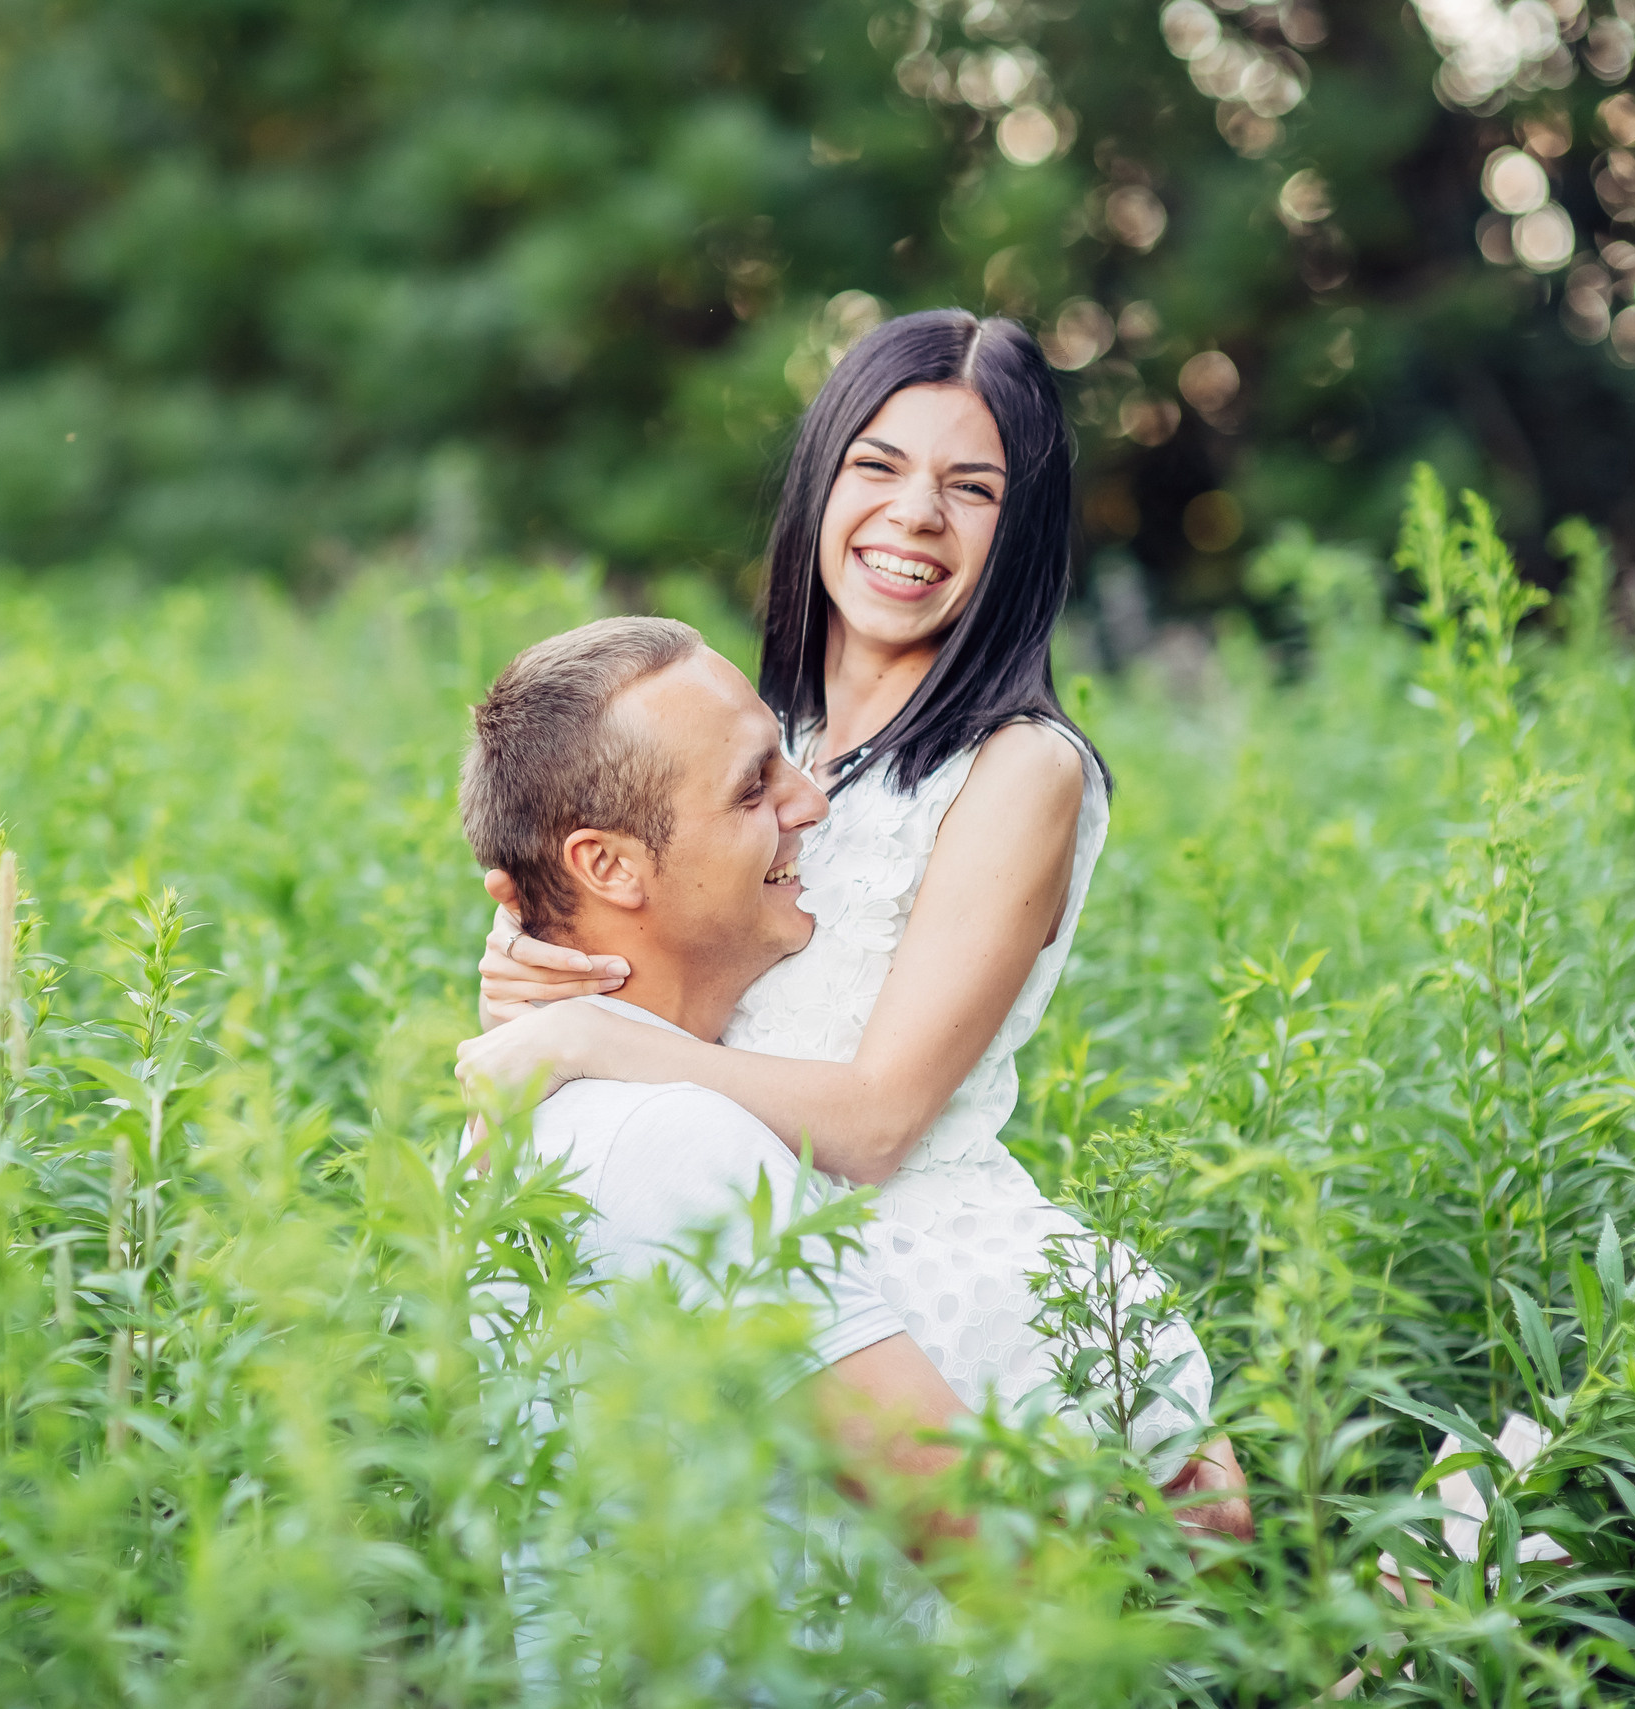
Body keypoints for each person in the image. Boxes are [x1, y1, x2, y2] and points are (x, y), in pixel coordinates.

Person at [460, 308, 1248, 1525]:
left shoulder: (1019, 766)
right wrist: (535, 972)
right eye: (877, 464)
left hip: (913, 1267)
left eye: (972, 487)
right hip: (722, 1230)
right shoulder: (758, 737)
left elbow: (880, 1119)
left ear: (1021, 531)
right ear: (819, 482)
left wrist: (598, 1039)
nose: (915, 513)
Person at [460, 615, 987, 1556]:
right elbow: (989, 1539)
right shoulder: (674, 1142)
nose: (812, 802)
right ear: (608, 865)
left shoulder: (539, 1115)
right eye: (753, 787)